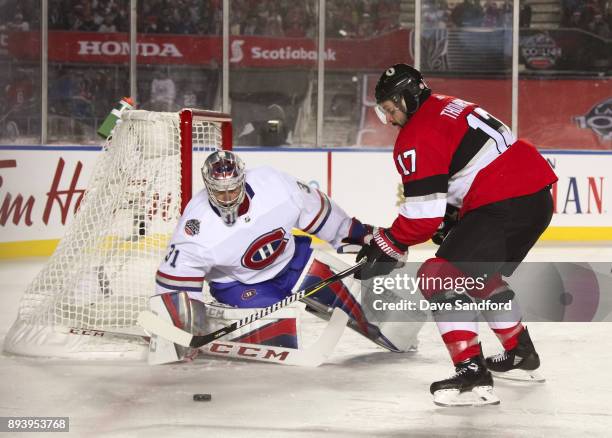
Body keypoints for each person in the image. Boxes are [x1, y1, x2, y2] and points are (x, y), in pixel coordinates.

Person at [357, 64, 557, 406]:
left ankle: (471, 371)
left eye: (391, 110)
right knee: (479, 277)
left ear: (408, 98)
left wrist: (387, 244)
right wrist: (456, 215)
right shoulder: (447, 105)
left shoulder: (416, 134)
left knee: (438, 276)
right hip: (534, 197)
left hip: (503, 201)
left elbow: (421, 220)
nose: (389, 120)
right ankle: (521, 353)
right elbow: (470, 162)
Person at [150, 150, 423, 364]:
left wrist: (361, 235)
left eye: (233, 189)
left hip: (293, 261)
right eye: (219, 191)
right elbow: (176, 285)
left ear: (243, 179)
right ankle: (224, 317)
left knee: (383, 318)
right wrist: (179, 331)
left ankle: (396, 331)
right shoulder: (195, 228)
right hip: (241, 285)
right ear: (208, 187)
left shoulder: (275, 185)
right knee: (280, 338)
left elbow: (323, 215)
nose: (227, 197)